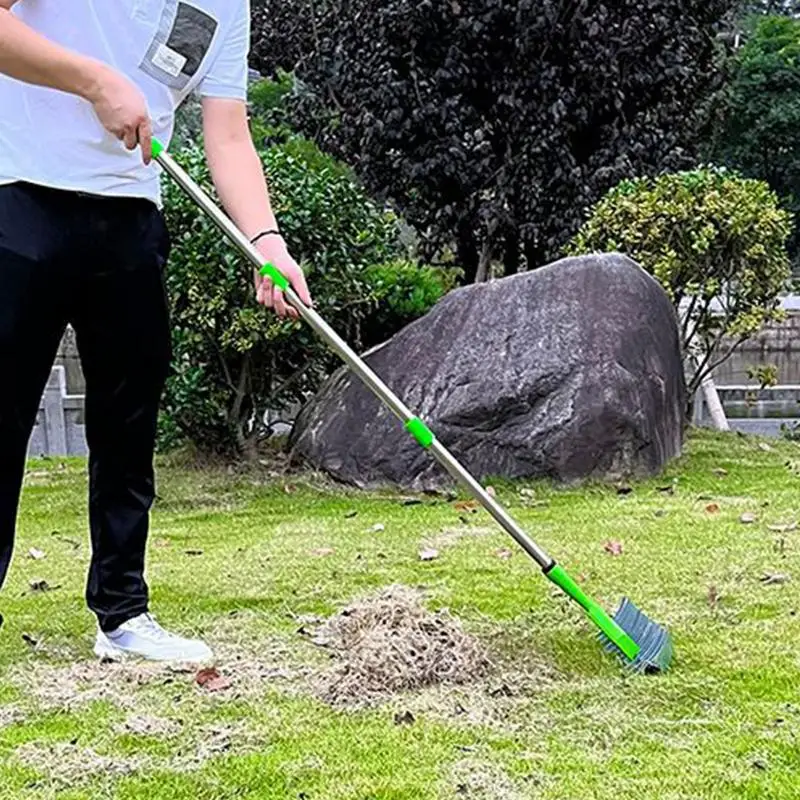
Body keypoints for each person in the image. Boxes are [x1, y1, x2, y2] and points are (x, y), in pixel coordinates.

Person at [0, 0, 312, 664]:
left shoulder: (227, 6)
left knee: (128, 425)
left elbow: (228, 135)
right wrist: (94, 80)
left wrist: (267, 241)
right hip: (18, 194)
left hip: (133, 217)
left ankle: (122, 614)